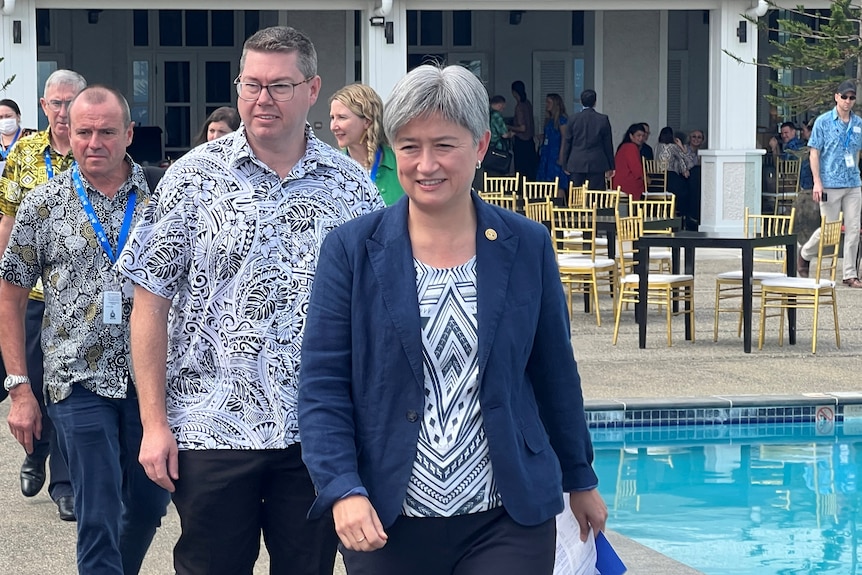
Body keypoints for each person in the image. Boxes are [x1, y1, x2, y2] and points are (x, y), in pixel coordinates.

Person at [297, 63, 607, 575]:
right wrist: (341, 488)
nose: (425, 164)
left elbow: (555, 374)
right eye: (409, 145)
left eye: (444, 145)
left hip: (505, 516)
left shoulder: (526, 245)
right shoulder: (351, 250)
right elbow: (323, 384)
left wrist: (580, 478)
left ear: (481, 146)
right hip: (386, 516)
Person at [117, 26, 383, 575]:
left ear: (312, 90)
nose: (262, 99)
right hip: (210, 427)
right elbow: (149, 303)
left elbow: (374, 313)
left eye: (280, 86)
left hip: (317, 434)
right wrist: (153, 423)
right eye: (251, 84)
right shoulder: (191, 178)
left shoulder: (352, 188)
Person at [0, 85, 170, 574]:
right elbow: (9, 297)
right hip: (77, 380)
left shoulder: (164, 197)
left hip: (151, 382)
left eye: (107, 132)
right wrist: (19, 388)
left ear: (129, 134)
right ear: (67, 133)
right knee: (96, 508)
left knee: (147, 505)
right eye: (85, 132)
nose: (95, 142)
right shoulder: (42, 205)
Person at [0, 69, 85, 522]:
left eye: (71, 102)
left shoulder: (95, 149)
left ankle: (66, 482)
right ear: (43, 106)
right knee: (33, 379)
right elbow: (8, 218)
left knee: (69, 388)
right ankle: (36, 449)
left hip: (82, 295)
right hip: (34, 292)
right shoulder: (25, 155)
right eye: (56, 103)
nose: (64, 111)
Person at [797, 79, 862, 287]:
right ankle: (805, 253)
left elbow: (857, 151)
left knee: (853, 228)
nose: (848, 101)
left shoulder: (858, 123)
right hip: (830, 183)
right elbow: (814, 153)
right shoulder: (823, 122)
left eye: (852, 98)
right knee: (829, 230)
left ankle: (850, 274)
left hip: (853, 182)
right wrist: (817, 182)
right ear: (836, 97)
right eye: (844, 97)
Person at [330, 83, 404, 205]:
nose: (333, 126)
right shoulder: (331, 168)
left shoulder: (400, 161)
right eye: (332, 118)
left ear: (367, 121)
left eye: (342, 117)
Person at [559, 89, 615, 191]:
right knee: (596, 195)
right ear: (595, 102)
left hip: (576, 161)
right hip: (597, 162)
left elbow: (567, 142)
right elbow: (608, 144)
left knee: (577, 195)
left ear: (581, 101)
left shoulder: (573, 119)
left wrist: (565, 164)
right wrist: (611, 165)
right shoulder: (602, 119)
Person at [655, 126, 692, 226]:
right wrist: (684, 170)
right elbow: (681, 158)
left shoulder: (657, 146)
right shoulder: (673, 146)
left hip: (657, 177)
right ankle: (683, 215)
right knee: (684, 191)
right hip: (669, 175)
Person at [535, 93, 569, 193]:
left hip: (556, 153)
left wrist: (561, 156)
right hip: (546, 153)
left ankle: (558, 205)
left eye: (549, 102)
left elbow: (565, 137)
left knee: (558, 181)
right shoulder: (549, 120)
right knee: (546, 180)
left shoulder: (562, 120)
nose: (546, 104)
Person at [509, 80, 538, 180]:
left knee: (522, 171)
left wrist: (508, 126)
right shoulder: (528, 103)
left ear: (514, 92)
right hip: (530, 141)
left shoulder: (519, 106)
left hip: (521, 142)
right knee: (531, 169)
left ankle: (522, 191)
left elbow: (522, 128)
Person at [612, 123, 647, 201]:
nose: (641, 138)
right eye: (638, 135)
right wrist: (644, 178)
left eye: (643, 136)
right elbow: (636, 170)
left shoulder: (623, 146)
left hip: (618, 183)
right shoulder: (631, 147)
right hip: (627, 184)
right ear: (631, 136)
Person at [0, 99, 33, 174]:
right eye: (0, 117)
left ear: (18, 117)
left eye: (8, 116)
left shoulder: (32, 137)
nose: (4, 120)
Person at [485, 94, 512, 177]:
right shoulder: (497, 116)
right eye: (503, 107)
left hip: (487, 147)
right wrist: (512, 133)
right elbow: (504, 135)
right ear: (499, 105)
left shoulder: (485, 113)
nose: (503, 109)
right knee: (498, 172)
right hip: (498, 149)